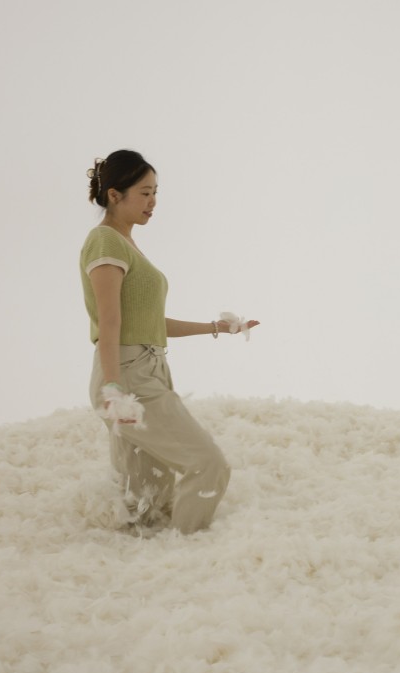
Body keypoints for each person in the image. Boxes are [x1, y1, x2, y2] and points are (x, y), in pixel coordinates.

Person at [80, 150, 259, 533]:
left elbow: (147, 324)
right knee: (208, 464)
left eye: (156, 193)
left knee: (147, 499)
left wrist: (216, 327)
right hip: (127, 377)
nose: (153, 202)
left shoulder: (125, 245)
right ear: (114, 195)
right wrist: (114, 389)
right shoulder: (105, 242)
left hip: (145, 370)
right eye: (144, 193)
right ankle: (190, 551)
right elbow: (110, 323)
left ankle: (149, 560)